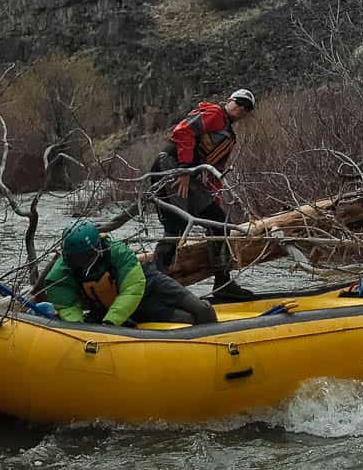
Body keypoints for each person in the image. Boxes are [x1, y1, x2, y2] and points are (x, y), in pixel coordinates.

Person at [150, 87, 256, 301]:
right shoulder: (214, 114)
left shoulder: (230, 138)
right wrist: (183, 169)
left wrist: (213, 196)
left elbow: (214, 170)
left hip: (193, 176)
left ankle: (223, 283)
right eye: (239, 102)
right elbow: (183, 131)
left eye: (246, 107)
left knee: (219, 222)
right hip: (171, 167)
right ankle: (155, 285)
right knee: (175, 227)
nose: (241, 108)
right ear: (229, 100)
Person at [36, 221, 217, 326]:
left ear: (96, 249)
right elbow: (67, 307)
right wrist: (83, 330)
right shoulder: (61, 272)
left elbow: (133, 287)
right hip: (130, 309)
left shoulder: (117, 252)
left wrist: (110, 322)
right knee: (187, 321)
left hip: (148, 286)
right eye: (74, 259)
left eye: (83, 258)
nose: (80, 264)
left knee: (202, 310)